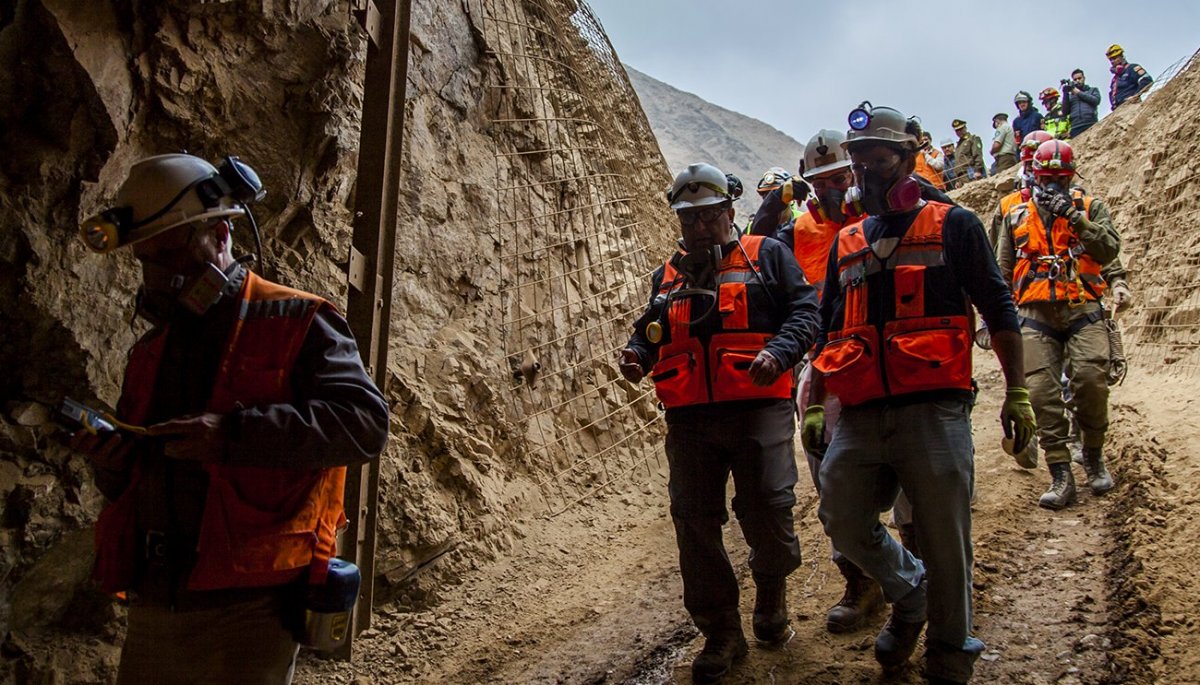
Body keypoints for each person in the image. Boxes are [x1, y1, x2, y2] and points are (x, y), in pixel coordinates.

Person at [71, 153, 390, 684]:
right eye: (148, 261)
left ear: (221, 235)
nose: (162, 277)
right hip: (158, 598)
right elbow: (140, 478)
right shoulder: (152, 350)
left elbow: (363, 423)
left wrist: (234, 434)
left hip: (252, 604)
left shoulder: (299, 320)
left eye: (174, 254)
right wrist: (112, 462)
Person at [807, 102, 1035, 685]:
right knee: (840, 511)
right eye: (858, 160)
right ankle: (908, 589)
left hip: (935, 406)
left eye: (877, 159)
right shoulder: (848, 242)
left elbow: (998, 304)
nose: (864, 172)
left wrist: (1019, 393)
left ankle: (950, 655)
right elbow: (830, 327)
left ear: (907, 159)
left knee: (944, 535)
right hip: (861, 410)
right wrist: (813, 403)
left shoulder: (953, 223)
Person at [618, 162, 820, 683]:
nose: (700, 227)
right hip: (690, 420)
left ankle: (771, 597)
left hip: (758, 408)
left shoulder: (767, 256)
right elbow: (651, 330)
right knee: (694, 523)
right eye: (690, 220)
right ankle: (721, 632)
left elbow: (806, 314)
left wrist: (779, 351)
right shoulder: (668, 274)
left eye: (709, 217)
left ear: (730, 214)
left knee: (769, 512)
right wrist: (637, 353)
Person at [773, 131, 883, 635]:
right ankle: (859, 580)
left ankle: (919, 573)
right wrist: (778, 200)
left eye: (840, 178)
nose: (833, 190)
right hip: (826, 362)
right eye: (820, 182)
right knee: (831, 480)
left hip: (888, 358)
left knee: (909, 480)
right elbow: (761, 252)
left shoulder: (884, 210)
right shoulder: (798, 231)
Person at [995, 140, 1121, 510]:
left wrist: (1076, 219)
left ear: (1071, 177)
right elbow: (1001, 271)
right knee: (1041, 393)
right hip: (1035, 312)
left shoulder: (1090, 207)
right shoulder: (1015, 215)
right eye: (1046, 177)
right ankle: (1060, 473)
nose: (1052, 185)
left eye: (1060, 178)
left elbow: (1110, 250)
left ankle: (1094, 455)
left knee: (1090, 381)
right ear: (1033, 174)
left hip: (1083, 308)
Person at [988, 130, 1054, 248]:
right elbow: (995, 250)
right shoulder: (1007, 205)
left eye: (1039, 166)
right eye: (1029, 165)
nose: (1035, 173)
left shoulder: (1076, 202)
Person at [1108, 43, 1153, 109]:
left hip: (1131, 106)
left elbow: (1146, 80)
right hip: (1119, 109)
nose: (1112, 61)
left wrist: (1136, 95)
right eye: (1110, 59)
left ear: (1121, 56)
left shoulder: (1132, 68)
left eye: (1114, 58)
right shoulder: (1115, 79)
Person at [1062, 69, 1102, 138]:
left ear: (1084, 78)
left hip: (1090, 123)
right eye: (1075, 79)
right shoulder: (1071, 95)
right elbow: (1065, 111)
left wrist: (1077, 92)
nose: (1077, 81)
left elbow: (1096, 101)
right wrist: (1065, 94)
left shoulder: (1092, 90)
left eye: (1079, 78)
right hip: (1075, 127)